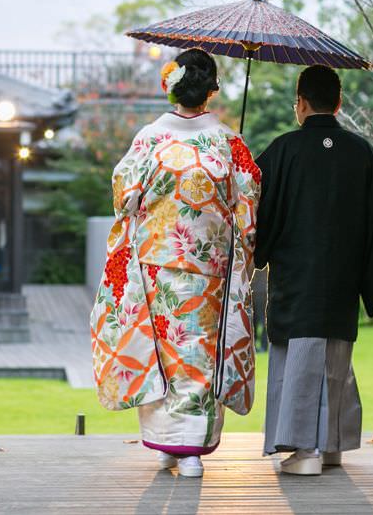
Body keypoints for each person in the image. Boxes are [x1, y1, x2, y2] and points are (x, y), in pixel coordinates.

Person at [90, 48, 261, 478]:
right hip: (209, 265)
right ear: (211, 90)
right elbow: (249, 203)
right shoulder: (228, 142)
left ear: (171, 87)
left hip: (157, 262)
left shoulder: (150, 138)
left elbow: (125, 197)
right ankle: (186, 449)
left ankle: (171, 445)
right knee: (198, 352)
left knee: (163, 352)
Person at [255, 64, 373, 476]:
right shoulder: (363, 152)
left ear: (301, 103)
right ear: (338, 103)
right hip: (342, 280)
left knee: (299, 358)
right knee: (334, 357)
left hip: (297, 280)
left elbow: (254, 209)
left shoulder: (282, 151)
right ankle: (331, 446)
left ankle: (304, 450)